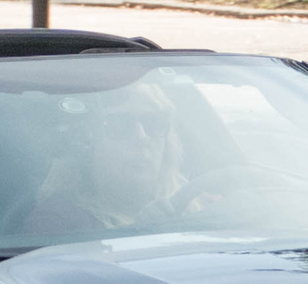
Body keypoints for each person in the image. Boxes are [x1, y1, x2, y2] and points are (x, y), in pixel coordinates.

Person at [22, 80, 193, 234]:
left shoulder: (197, 202)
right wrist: (141, 233)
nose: (142, 137)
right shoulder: (56, 221)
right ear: (85, 141)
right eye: (119, 125)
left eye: (154, 123)